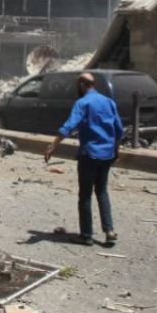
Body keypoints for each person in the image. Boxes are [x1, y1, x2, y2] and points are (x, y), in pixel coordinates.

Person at [44, 72, 123, 246]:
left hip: (89, 154)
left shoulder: (82, 103)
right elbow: (118, 129)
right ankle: (109, 231)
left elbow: (69, 125)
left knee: (85, 195)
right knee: (102, 191)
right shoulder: (108, 102)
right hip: (107, 154)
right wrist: (116, 151)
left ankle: (86, 235)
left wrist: (53, 145)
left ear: (81, 85)